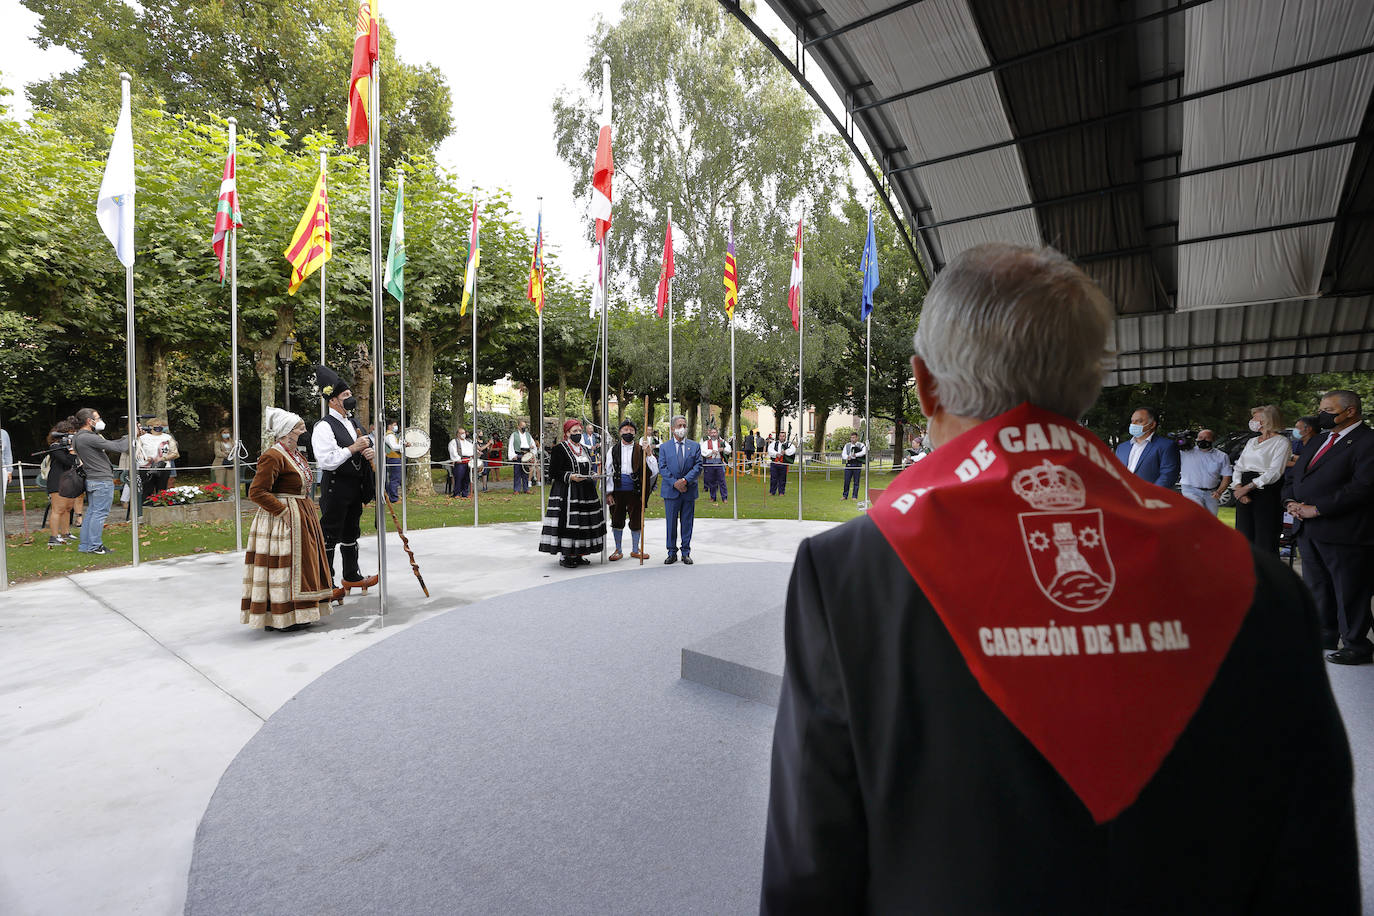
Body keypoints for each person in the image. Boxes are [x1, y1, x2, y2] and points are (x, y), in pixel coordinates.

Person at [761, 243, 1357, 912]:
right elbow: (1313, 867)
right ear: (1088, 383)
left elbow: (812, 867)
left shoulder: (852, 573)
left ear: (924, 384)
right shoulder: (1258, 585)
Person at [1283, 390, 1374, 665]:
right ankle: (1325, 632)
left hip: (1344, 529)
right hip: (1307, 527)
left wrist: (1318, 508)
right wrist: (1289, 501)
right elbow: (1295, 475)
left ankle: (1356, 643)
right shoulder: (1320, 439)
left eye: (1328, 410)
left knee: (1349, 589)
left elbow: (1362, 487)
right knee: (1318, 584)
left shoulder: (1368, 441)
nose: (1321, 415)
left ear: (1350, 411)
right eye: (1321, 408)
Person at [242, 408, 341, 630]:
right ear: (287, 431)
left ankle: (300, 613)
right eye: (299, 427)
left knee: (304, 563)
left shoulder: (296, 454)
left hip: (302, 513)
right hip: (283, 518)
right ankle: (280, 617)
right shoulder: (273, 455)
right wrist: (282, 511)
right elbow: (256, 492)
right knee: (284, 565)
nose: (303, 430)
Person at [310, 365, 379, 592]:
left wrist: (369, 450)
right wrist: (353, 448)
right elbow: (326, 460)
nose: (350, 399)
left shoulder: (353, 422)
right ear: (333, 400)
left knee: (351, 531)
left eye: (350, 394)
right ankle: (326, 581)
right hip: (336, 486)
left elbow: (368, 443)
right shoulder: (323, 427)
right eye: (345, 396)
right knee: (330, 533)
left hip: (355, 486)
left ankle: (351, 575)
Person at [538, 419, 605, 568]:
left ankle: (579, 554)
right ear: (567, 433)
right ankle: (566, 555)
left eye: (579, 431)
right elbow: (553, 473)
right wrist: (571, 476)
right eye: (574, 431)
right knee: (568, 523)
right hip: (567, 492)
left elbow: (587, 468)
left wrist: (592, 474)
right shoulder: (559, 449)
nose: (578, 434)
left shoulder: (585, 449)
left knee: (583, 523)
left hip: (585, 492)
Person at [1230, 405, 1290, 554]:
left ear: (1266, 420)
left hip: (1266, 491)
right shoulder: (1252, 441)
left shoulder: (1281, 442)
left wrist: (1248, 487)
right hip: (1244, 490)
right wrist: (1238, 487)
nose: (1252, 421)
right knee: (1244, 533)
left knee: (1265, 535)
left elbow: (1275, 472)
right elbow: (1239, 465)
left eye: (1255, 418)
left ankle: (1265, 574)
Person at [71, 408, 130, 555]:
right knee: (99, 514)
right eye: (97, 418)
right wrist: (132, 435)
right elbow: (119, 447)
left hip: (93, 480)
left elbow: (111, 443)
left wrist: (128, 436)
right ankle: (95, 546)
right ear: (88, 421)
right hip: (101, 480)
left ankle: (85, 546)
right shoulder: (88, 437)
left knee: (92, 513)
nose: (100, 421)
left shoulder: (79, 436)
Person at [605, 419, 657, 561]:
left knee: (636, 519)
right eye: (625, 430)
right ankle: (618, 549)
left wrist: (649, 454)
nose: (628, 432)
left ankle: (635, 549)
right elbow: (608, 471)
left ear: (635, 433)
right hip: (617, 490)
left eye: (631, 430)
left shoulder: (641, 449)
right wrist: (608, 492)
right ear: (621, 432)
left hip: (636, 490)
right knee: (616, 519)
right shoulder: (613, 450)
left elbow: (654, 470)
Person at [659, 414, 702, 565]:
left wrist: (684, 481)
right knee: (671, 523)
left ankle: (686, 552)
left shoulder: (695, 446)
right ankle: (671, 552)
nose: (682, 428)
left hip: (688, 491)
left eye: (684, 425)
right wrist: (675, 483)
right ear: (672, 429)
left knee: (687, 522)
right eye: (679, 426)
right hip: (671, 491)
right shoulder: (664, 447)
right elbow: (662, 467)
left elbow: (698, 466)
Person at [1113, 406, 1179, 488]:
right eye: (1132, 421)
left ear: (1152, 425)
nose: (1133, 424)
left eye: (1139, 421)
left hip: (1148, 498)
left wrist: (1151, 495)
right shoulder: (1122, 448)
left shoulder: (1166, 446)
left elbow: (1168, 475)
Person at [43, 421, 81, 547]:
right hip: (57, 480)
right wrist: (72, 451)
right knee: (58, 509)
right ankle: (53, 536)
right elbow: (67, 461)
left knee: (67, 508)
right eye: (69, 434)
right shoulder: (55, 446)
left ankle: (66, 533)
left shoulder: (70, 447)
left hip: (69, 480)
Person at [1177, 429, 1231, 516]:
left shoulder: (1221, 456)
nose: (1203, 440)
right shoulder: (1186, 452)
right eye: (1200, 437)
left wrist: (1219, 491)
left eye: (1207, 438)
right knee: (1197, 514)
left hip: (1211, 493)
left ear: (1213, 440)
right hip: (1190, 490)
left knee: (1211, 519)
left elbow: (1227, 476)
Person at [701, 425, 731, 503]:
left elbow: (729, 449)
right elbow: (703, 452)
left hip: (719, 463)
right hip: (709, 463)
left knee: (722, 481)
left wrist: (723, 449)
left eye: (715, 432)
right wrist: (711, 451)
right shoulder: (706, 442)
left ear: (717, 433)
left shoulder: (722, 442)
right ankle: (712, 497)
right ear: (710, 434)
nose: (713, 434)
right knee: (711, 481)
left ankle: (724, 497)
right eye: (712, 433)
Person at [509, 420, 535, 494]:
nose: (523, 427)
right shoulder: (514, 435)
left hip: (526, 455)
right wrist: (513, 455)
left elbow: (532, 444)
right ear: (518, 426)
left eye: (524, 426)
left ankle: (526, 489)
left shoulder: (528, 435)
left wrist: (532, 448)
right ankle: (516, 490)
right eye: (522, 426)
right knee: (517, 472)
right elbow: (511, 445)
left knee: (525, 473)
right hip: (518, 454)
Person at [840, 431, 867, 500]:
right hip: (849, 464)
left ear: (857, 438)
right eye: (851, 438)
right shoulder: (847, 445)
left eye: (854, 438)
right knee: (846, 481)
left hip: (857, 463)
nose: (852, 439)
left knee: (856, 481)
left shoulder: (861, 445)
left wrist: (856, 455)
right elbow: (843, 454)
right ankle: (845, 495)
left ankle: (854, 496)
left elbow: (864, 451)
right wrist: (847, 457)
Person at [448, 427, 473, 498]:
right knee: (459, 478)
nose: (463, 434)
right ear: (457, 434)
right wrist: (458, 459)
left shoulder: (468, 442)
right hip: (460, 462)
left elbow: (472, 451)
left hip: (468, 462)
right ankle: (457, 493)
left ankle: (465, 493)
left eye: (464, 433)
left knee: (467, 478)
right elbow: (452, 452)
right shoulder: (454, 442)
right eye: (461, 433)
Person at [383, 420, 402, 503]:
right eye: (394, 425)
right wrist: (404, 445)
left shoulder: (391, 435)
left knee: (394, 478)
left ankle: (391, 496)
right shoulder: (390, 435)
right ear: (389, 426)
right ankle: (393, 498)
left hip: (393, 458)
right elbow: (394, 447)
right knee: (395, 478)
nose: (396, 426)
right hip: (394, 458)